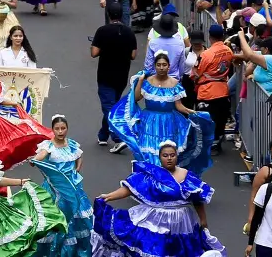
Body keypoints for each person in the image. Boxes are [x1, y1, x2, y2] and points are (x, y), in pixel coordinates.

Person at [93, 141, 225, 257]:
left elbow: (197, 199)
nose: (169, 158)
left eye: (172, 155)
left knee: (181, 250)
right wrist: (108, 196)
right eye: (165, 155)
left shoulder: (187, 175)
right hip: (156, 221)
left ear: (177, 156)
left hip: (182, 223)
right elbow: (129, 189)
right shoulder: (151, 175)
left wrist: (203, 220)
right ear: (160, 157)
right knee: (157, 249)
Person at [108, 50, 214, 174]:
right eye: (159, 65)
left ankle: (165, 181)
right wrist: (141, 81)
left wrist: (193, 113)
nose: (161, 68)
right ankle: (150, 180)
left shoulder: (175, 83)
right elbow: (136, 98)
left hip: (169, 123)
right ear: (155, 66)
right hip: (148, 122)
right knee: (148, 153)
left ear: (169, 66)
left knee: (168, 154)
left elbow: (179, 106)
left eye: (164, 65)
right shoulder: (147, 82)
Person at [31, 116, 93, 257]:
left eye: (63, 128)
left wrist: (77, 168)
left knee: (77, 218)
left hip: (74, 187)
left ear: (67, 129)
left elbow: (79, 156)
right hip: (56, 189)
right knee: (58, 218)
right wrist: (34, 160)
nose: (60, 131)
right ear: (52, 130)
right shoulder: (48, 146)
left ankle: (77, 249)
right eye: (57, 129)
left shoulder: (71, 144)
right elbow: (40, 156)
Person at [91, 0, 138, 148]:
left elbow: (94, 53)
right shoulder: (129, 32)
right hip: (122, 75)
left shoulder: (102, 31)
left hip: (105, 75)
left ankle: (118, 138)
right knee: (112, 105)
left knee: (109, 108)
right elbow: (133, 55)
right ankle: (103, 135)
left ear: (108, 14)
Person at [194, 24, 234, 154]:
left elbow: (195, 73)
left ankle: (206, 145)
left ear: (210, 37)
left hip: (207, 91)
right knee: (220, 120)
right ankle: (216, 144)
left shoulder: (206, 54)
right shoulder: (229, 51)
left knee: (206, 120)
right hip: (222, 89)